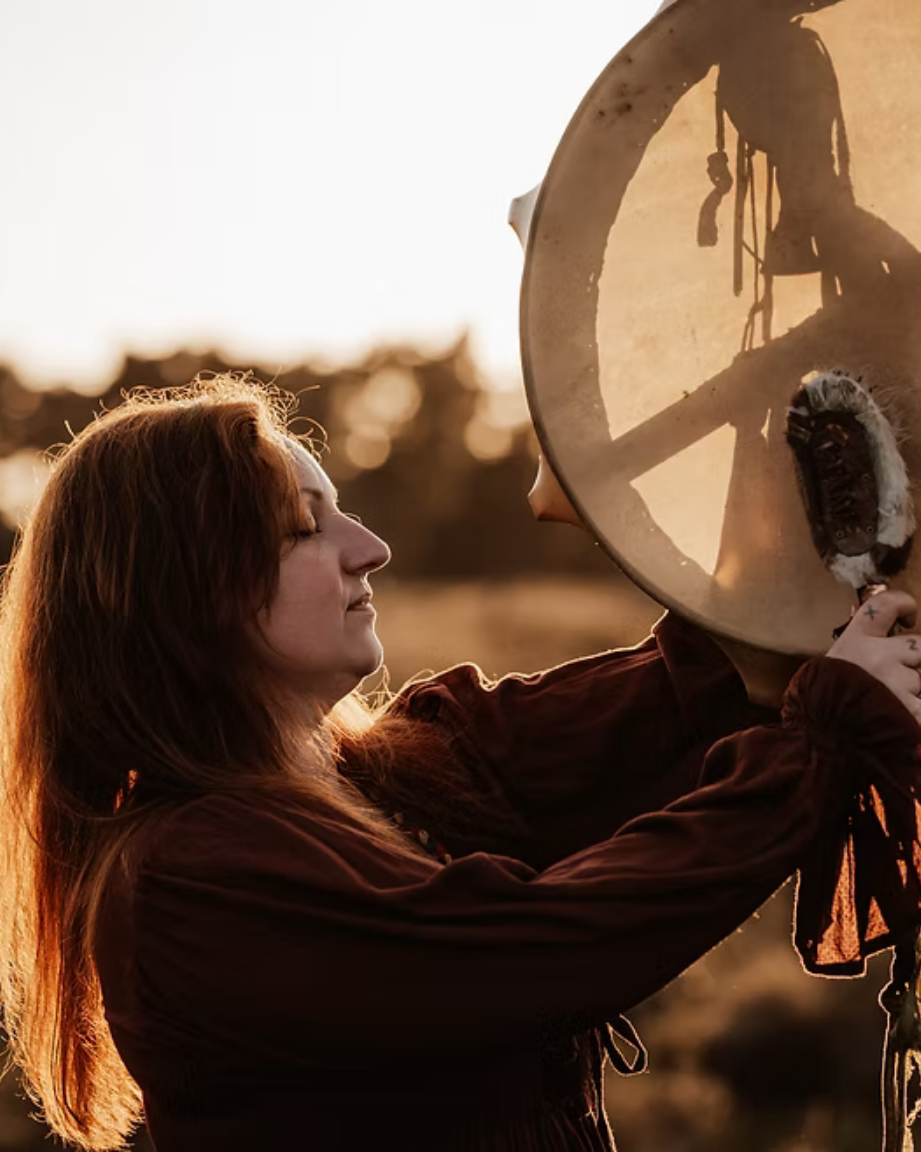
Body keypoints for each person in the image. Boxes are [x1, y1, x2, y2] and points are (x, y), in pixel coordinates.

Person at [0, 373, 920, 1152]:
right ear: (182, 592)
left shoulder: (380, 776)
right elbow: (549, 947)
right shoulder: (191, 886)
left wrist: (771, 589)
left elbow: (655, 703)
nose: (371, 548)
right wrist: (822, 740)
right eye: (303, 528)